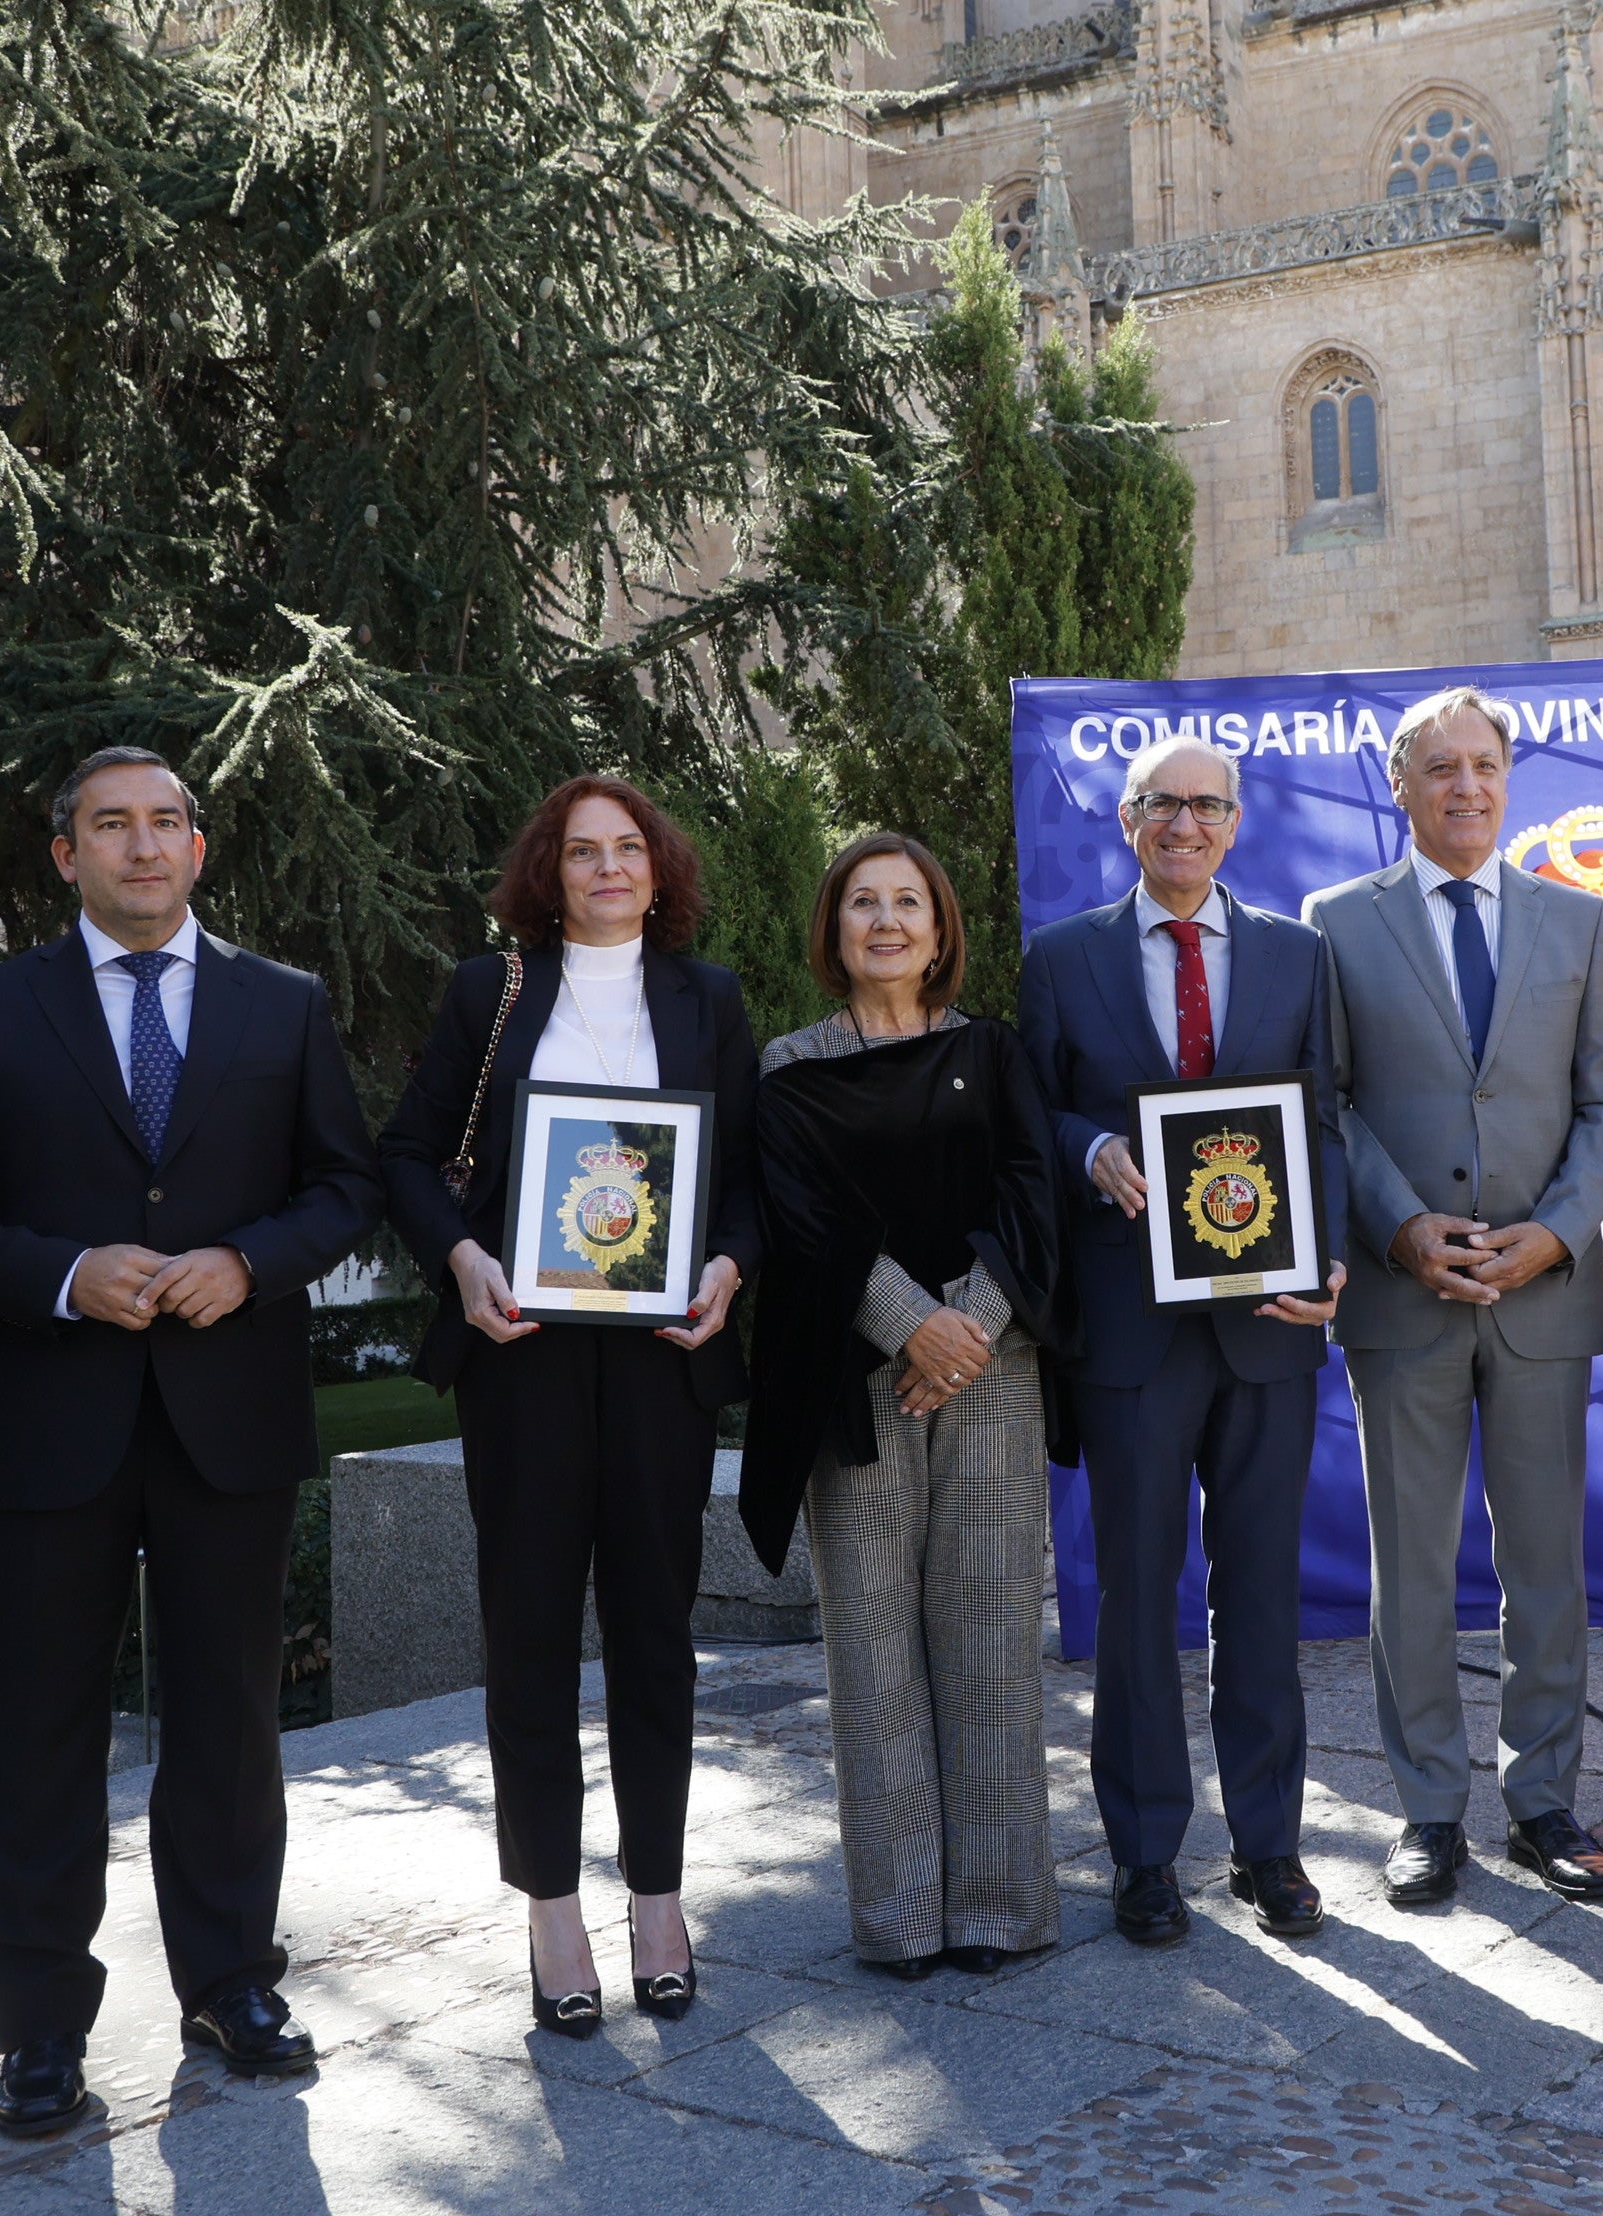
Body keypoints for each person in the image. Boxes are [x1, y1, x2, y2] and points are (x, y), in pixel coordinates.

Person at [0, 748, 380, 2135]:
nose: (143, 845)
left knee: (229, 1725)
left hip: (230, 1420)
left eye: (168, 822)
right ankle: (39, 2029)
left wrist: (248, 1258)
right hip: (51, 1420)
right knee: (41, 1736)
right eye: (112, 825)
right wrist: (60, 1273)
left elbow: (344, 1184)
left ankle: (232, 1984)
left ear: (201, 849)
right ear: (66, 857)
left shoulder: (283, 1007)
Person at [375, 774, 756, 2037]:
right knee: (530, 1631)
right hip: (523, 1353)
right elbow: (407, 1155)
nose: (605, 869)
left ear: (660, 871)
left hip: (659, 1360)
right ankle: (550, 1904)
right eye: (580, 851)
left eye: (627, 849)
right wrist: (462, 1259)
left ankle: (657, 1897)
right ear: (549, 871)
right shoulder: (490, 996)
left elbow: (749, 1180)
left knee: (656, 1632)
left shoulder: (708, 997)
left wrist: (726, 1266)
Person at [1015, 734, 1349, 1947]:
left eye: (1208, 805)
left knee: (1262, 1593)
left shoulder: (1295, 955)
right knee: (1135, 1597)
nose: (1187, 824)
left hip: (1268, 1322)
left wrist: (1334, 1259)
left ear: (1236, 822)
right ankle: (1146, 1852)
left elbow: (1323, 1117)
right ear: (1127, 818)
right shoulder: (1062, 960)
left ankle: (1270, 1846)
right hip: (1130, 1330)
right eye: (1164, 804)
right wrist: (1080, 1147)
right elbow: (1030, 1111)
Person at [1304, 687, 1603, 1907]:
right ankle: (1429, 1807)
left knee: (1547, 1559)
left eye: (1485, 765)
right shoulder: (1336, 922)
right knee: (1414, 1563)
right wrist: (1396, 1224)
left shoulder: (1576, 920)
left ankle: (1542, 1795)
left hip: (1543, 1295)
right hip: (1407, 1295)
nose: (1467, 786)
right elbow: (1326, 1097)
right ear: (1401, 787)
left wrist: (1555, 1234)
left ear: (1508, 777)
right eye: (1439, 767)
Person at [742, 836, 1064, 1978]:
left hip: (993, 1368)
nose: (886, 921)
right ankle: (900, 1911)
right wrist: (911, 1326)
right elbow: (806, 1219)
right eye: (863, 903)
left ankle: (996, 1903)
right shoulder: (787, 1066)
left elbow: (1035, 1194)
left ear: (940, 928)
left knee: (989, 1638)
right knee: (871, 1649)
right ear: (834, 928)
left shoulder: (994, 1048)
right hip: (853, 1381)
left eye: (908, 902)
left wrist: (966, 1327)